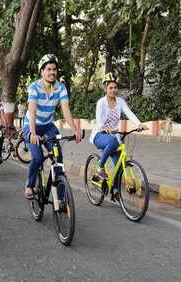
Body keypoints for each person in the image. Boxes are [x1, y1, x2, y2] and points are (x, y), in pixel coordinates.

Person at [23, 54, 82, 200]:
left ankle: (61, 198)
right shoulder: (34, 87)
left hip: (48, 126)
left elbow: (66, 110)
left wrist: (75, 129)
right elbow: (32, 110)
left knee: (58, 159)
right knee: (37, 158)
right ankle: (29, 185)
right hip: (31, 125)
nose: (52, 72)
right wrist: (32, 133)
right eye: (48, 69)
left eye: (54, 69)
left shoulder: (60, 87)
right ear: (42, 71)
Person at [90, 72, 147, 186]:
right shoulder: (101, 102)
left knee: (119, 167)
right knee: (113, 141)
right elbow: (99, 120)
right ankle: (100, 168)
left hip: (114, 137)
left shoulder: (120, 101)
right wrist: (104, 128)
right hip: (99, 135)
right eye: (110, 87)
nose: (113, 90)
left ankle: (115, 191)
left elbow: (129, 113)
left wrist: (139, 124)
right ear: (105, 88)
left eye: (115, 87)